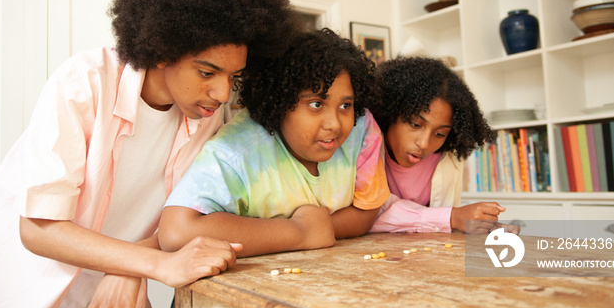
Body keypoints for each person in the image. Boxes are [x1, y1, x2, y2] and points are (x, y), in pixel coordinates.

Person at [0, 0, 301, 308]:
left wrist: (132, 267)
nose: (223, 93)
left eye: (234, 77)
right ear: (162, 49)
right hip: (27, 280)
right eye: (207, 73)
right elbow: (38, 228)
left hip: (111, 279)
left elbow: (187, 216)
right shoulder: (86, 83)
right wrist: (154, 264)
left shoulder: (209, 114)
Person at [158, 28, 391, 258]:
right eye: (316, 104)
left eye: (345, 106)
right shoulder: (238, 151)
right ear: (279, 105)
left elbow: (366, 211)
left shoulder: (361, 129)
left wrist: (320, 226)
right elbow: (176, 232)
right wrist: (299, 232)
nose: (335, 124)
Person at [368, 56, 519, 235]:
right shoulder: (366, 148)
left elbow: (441, 224)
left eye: (440, 134)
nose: (424, 143)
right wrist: (452, 218)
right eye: (416, 125)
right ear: (389, 113)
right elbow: (371, 216)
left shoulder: (447, 160)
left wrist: (480, 226)